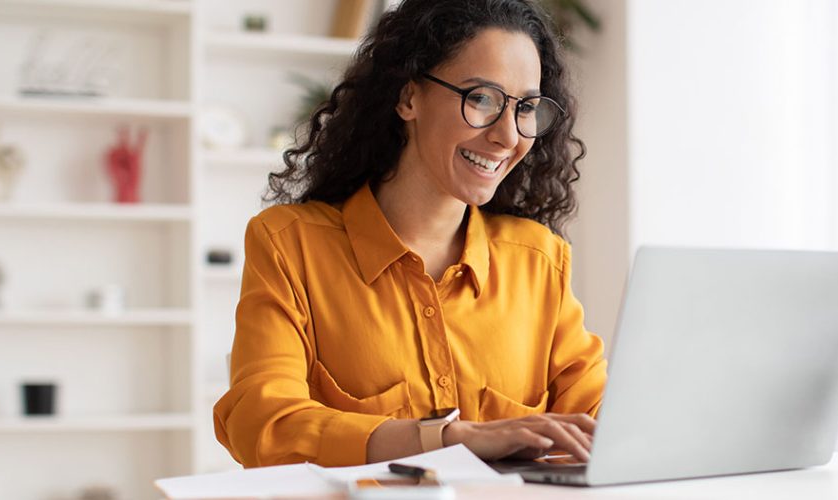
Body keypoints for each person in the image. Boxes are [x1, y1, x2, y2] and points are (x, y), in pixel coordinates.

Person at [213, 0, 607, 468]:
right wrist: (445, 439)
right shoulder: (289, 245)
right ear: (408, 98)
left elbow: (603, 425)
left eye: (526, 108)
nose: (507, 135)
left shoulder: (538, 259)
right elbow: (264, 424)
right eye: (481, 98)